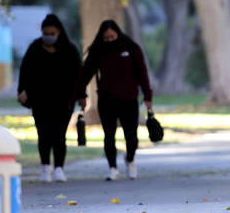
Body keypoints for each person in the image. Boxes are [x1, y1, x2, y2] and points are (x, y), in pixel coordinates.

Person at [75, 19, 153, 181]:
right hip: (106, 98)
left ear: (118, 33)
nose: (110, 40)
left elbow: (142, 73)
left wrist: (147, 95)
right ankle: (112, 167)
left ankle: (130, 159)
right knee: (109, 135)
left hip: (129, 98)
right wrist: (80, 93)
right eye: (106, 38)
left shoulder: (131, 49)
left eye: (112, 37)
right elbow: (86, 74)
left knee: (132, 136)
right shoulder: (97, 51)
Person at [17, 14, 82, 182]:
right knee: (43, 134)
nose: (48, 37)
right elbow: (25, 71)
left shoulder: (69, 50)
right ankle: (45, 167)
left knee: (59, 134)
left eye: (52, 33)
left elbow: (78, 75)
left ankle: (59, 168)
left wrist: (81, 96)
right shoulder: (35, 48)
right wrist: (22, 91)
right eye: (45, 33)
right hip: (40, 100)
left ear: (59, 32)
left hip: (64, 101)